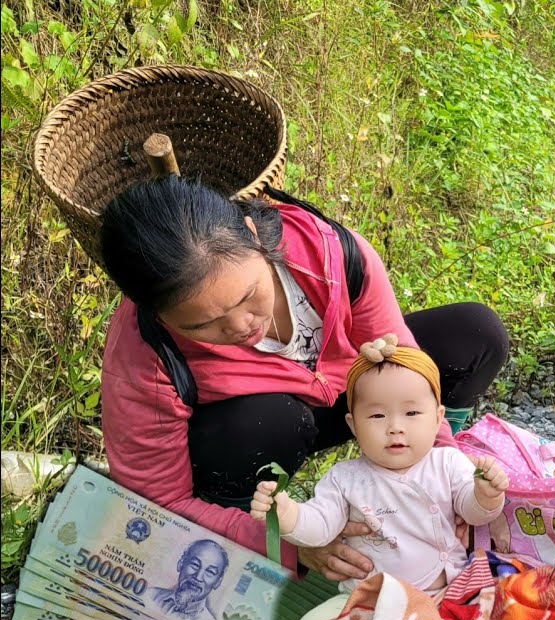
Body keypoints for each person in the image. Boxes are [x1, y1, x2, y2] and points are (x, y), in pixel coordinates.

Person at [97, 175, 510, 581]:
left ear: (252, 233)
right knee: (267, 420)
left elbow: (406, 369)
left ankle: (408, 467)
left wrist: (449, 483)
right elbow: (160, 500)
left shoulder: (328, 252)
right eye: (204, 326)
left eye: (247, 296)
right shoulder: (144, 356)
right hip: (256, 432)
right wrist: (286, 542)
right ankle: (246, 516)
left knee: (474, 334)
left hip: (352, 398)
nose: (242, 325)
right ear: (157, 314)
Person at [250, 336, 509, 620]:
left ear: (438, 417)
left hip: (442, 597)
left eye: (411, 414)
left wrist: (487, 494)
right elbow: (319, 527)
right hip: (367, 604)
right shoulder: (345, 479)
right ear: (353, 425)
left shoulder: (447, 465)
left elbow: (472, 513)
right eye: (377, 416)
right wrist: (285, 513)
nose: (395, 428)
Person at [150, 538, 228, 620]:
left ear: (218, 582)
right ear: (181, 563)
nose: (198, 577)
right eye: (195, 564)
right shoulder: (149, 595)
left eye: (210, 571)